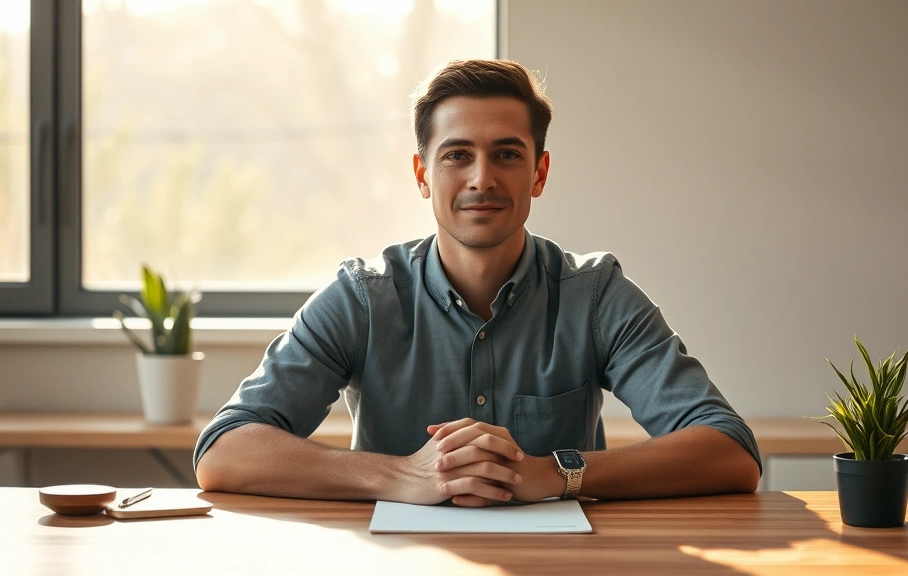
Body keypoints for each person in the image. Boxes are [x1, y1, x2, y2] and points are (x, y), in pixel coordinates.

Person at [194, 59, 761, 507]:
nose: (482, 178)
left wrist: (552, 473)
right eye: (457, 155)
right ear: (422, 175)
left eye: (507, 154)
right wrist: (402, 475)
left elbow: (730, 451)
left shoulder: (595, 296)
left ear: (538, 173)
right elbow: (224, 451)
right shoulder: (363, 298)